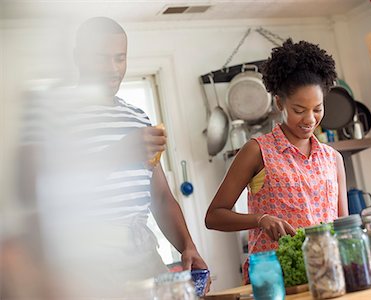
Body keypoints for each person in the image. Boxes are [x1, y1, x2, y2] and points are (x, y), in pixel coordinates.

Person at [10, 17, 209, 297]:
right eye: (102, 59)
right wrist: (117, 154)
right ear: (79, 57)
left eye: (120, 58)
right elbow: (31, 189)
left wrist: (188, 246)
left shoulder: (138, 117)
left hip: (142, 250)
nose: (113, 69)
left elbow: (161, 196)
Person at [205, 39, 348, 283]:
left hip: (327, 275)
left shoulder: (333, 158)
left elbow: (343, 226)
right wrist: (259, 220)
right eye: (299, 109)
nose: (310, 119)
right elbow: (214, 216)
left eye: (317, 109)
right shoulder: (257, 151)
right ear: (280, 102)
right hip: (273, 279)